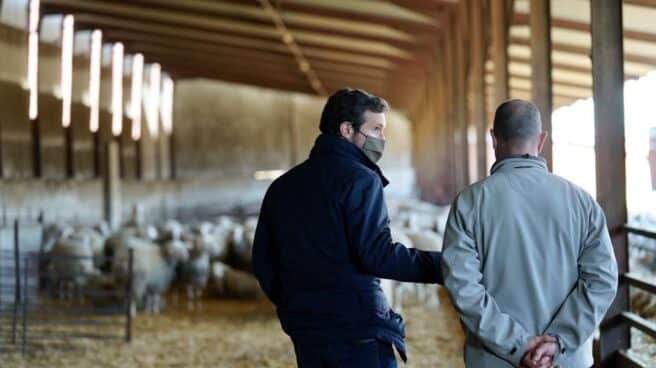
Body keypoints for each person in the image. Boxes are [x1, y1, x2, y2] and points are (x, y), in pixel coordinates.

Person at [252, 88, 443, 368]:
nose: (382, 139)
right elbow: (377, 256)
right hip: (358, 329)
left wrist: (294, 304)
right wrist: (445, 266)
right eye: (376, 129)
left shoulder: (282, 186)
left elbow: (263, 260)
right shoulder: (361, 179)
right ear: (346, 130)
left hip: (306, 329)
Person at [441, 99, 618, 368]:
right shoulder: (582, 202)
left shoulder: (469, 202)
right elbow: (602, 280)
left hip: (495, 361)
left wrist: (518, 344)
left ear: (493, 138)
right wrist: (556, 342)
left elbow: (463, 287)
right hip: (565, 361)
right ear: (542, 139)